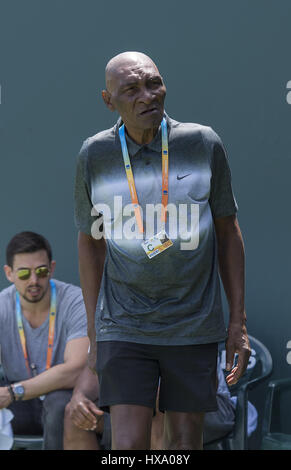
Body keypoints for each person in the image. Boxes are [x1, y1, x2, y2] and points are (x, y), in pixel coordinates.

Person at [74, 51, 251, 450]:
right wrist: (93, 327)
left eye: (154, 83)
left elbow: (228, 231)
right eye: (131, 89)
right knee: (129, 444)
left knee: (184, 445)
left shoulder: (202, 143)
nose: (148, 96)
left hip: (193, 321)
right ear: (108, 100)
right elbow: (89, 241)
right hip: (124, 323)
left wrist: (237, 321)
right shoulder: (95, 154)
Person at [0, 231, 89, 449]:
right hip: (17, 400)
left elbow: (76, 369)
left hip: (60, 395)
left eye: (41, 271)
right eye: (23, 274)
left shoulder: (75, 301)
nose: (34, 280)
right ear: (9, 273)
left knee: (60, 404)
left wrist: (14, 392)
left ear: (52, 268)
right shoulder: (2, 306)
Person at [63, 358, 237, 450]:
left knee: (158, 398)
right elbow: (94, 364)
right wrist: (79, 397)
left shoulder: (183, 309)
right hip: (132, 409)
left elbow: (202, 383)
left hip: (208, 408)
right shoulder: (116, 315)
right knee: (76, 413)